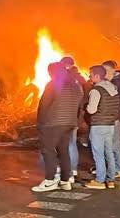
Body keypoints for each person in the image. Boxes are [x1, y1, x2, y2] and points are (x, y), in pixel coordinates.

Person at [33, 64, 83, 193]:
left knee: (48, 150)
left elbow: (44, 105)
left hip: (53, 124)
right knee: (63, 151)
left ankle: (50, 181)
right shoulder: (76, 85)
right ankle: (65, 181)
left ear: (53, 72)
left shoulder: (53, 84)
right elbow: (80, 105)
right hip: (70, 123)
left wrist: (40, 123)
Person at [83, 65, 120, 190]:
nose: (89, 77)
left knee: (98, 153)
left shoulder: (96, 90)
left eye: (90, 75)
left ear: (97, 76)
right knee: (109, 152)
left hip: (98, 125)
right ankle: (111, 180)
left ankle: (99, 180)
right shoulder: (113, 87)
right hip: (110, 125)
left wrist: (86, 106)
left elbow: (92, 110)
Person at [102, 60, 120, 180]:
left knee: (115, 144)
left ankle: (119, 169)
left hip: (114, 119)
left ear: (114, 70)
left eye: (106, 70)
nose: (104, 73)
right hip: (108, 118)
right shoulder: (109, 82)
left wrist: (115, 116)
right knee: (108, 144)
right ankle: (111, 168)